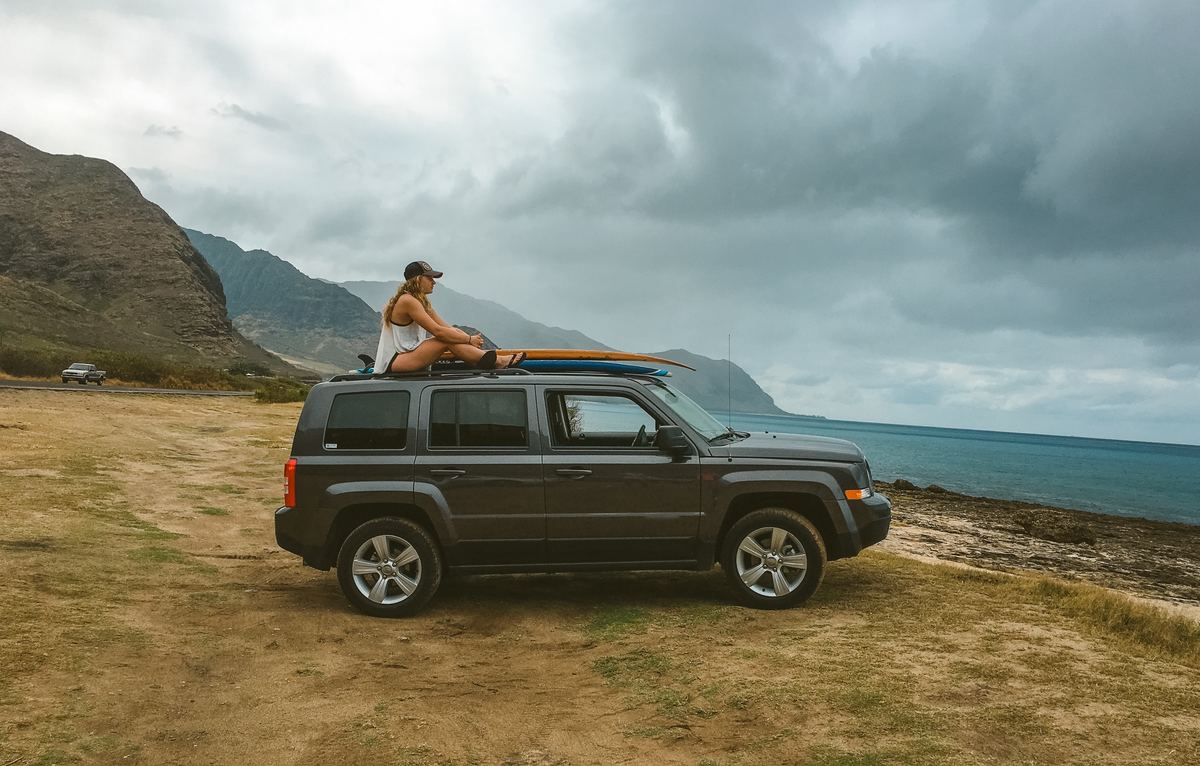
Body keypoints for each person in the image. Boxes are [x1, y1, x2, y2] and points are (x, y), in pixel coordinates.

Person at [374, 261, 525, 373]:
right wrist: (468, 340)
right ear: (418, 279)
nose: (434, 282)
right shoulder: (407, 300)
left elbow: (447, 328)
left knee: (453, 333)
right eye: (430, 278)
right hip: (393, 362)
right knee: (445, 340)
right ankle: (497, 361)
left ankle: (490, 360)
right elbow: (438, 332)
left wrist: (467, 339)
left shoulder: (421, 303)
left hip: (406, 355)